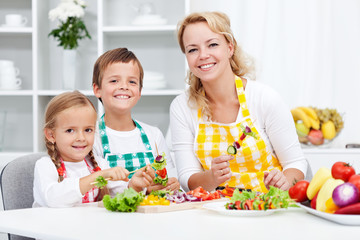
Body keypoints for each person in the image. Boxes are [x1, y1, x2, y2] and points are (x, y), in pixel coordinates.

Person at [170, 11, 308, 193]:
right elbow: (187, 177)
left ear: (230, 48)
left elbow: (295, 163)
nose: (203, 55)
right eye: (192, 49)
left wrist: (283, 182)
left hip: (266, 208)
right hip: (213, 211)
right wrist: (211, 178)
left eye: (212, 44)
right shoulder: (182, 107)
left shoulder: (264, 98)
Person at [92, 48, 180, 193]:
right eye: (114, 80)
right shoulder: (91, 136)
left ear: (139, 92)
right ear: (97, 89)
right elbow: (95, 187)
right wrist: (134, 187)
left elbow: (169, 173)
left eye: (132, 82)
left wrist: (171, 184)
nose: (124, 86)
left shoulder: (154, 135)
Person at [33, 91, 139, 208]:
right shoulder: (45, 166)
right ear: (51, 135)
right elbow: (53, 199)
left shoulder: (99, 164)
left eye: (88, 130)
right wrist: (98, 176)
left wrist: (136, 185)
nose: (81, 138)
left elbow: (121, 193)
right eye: (70, 130)